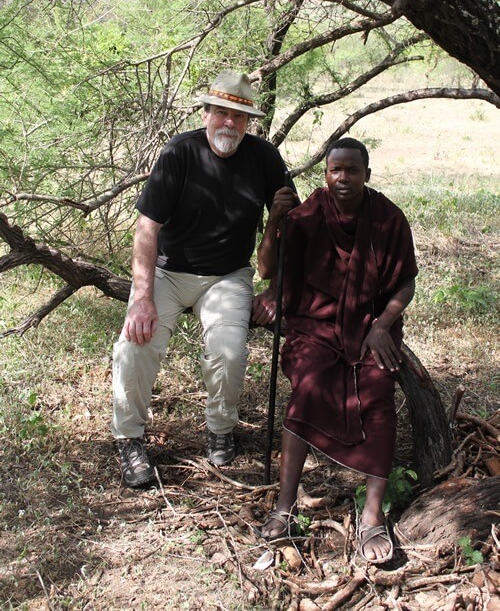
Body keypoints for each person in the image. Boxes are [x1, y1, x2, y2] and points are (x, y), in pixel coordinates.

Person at [112, 69, 289, 487]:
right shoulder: (180, 153)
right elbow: (147, 228)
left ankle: (220, 430)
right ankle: (129, 439)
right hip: (170, 270)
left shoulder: (264, 158)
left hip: (227, 274)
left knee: (229, 351)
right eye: (222, 112)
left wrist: (277, 288)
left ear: (249, 122)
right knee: (136, 343)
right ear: (206, 112)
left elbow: (289, 226)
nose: (230, 122)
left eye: (239, 116)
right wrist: (142, 296)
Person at [255, 138, 418, 564]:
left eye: (351, 170)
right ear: (325, 174)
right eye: (334, 171)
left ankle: (371, 517)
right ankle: (285, 507)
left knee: (378, 394)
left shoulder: (388, 219)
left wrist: (383, 326)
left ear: (367, 173)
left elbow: (405, 283)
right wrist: (275, 218)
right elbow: (269, 268)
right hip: (316, 327)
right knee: (308, 385)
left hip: (370, 328)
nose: (342, 178)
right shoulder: (309, 213)